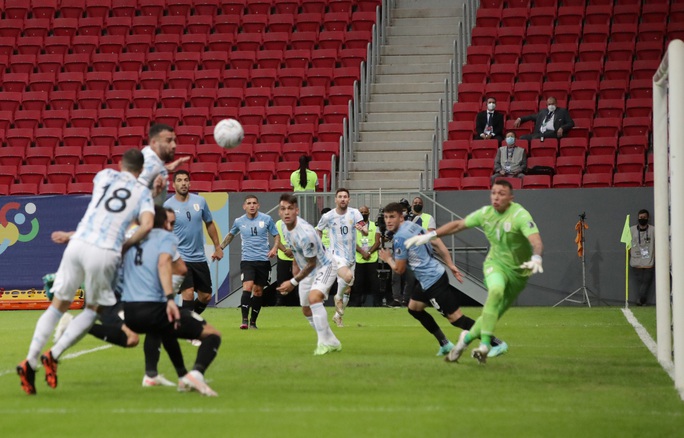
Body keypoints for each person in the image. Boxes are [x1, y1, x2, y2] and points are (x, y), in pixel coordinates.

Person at [17, 149, 155, 395]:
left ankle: (30, 360)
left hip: (78, 242)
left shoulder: (103, 175)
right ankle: (55, 354)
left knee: (57, 306)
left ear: (121, 164)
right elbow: (146, 225)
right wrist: (126, 244)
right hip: (104, 251)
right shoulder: (143, 193)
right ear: (141, 170)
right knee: (93, 310)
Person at [405, 180, 543, 364]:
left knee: (490, 315)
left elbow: (536, 240)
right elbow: (458, 225)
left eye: (501, 193)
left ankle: (465, 341)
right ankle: (485, 346)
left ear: (511, 197)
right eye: (494, 192)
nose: (496, 197)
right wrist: (431, 235)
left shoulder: (519, 215)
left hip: (518, 274)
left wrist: (536, 257)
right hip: (496, 265)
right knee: (495, 292)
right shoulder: (486, 213)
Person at [378, 202, 507, 358]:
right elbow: (437, 242)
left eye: (392, 217)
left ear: (401, 217)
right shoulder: (414, 227)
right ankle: (445, 344)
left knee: (456, 319)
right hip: (430, 277)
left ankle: (496, 343)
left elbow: (399, 269)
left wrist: (388, 259)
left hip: (432, 281)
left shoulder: (400, 237)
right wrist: (450, 264)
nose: (388, 221)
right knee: (414, 308)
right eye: (386, 217)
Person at [122, 205, 222, 396]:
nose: (171, 227)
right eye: (169, 223)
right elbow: (178, 268)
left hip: (130, 310)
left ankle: (161, 375)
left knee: (161, 331)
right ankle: (195, 374)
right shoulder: (165, 239)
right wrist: (169, 297)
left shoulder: (129, 240)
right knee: (212, 335)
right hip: (155, 307)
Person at [275, 194, 341, 355]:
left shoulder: (306, 234)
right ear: (279, 212)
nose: (287, 212)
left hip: (324, 267)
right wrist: (295, 267)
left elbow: (312, 263)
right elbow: (296, 252)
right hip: (307, 270)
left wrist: (293, 282)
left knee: (314, 298)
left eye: (290, 208)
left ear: (297, 210)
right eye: (283, 209)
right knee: (306, 310)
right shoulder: (284, 227)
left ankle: (323, 343)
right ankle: (332, 341)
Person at [164, 170, 223, 318]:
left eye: (185, 180)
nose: (183, 183)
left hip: (199, 258)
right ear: (173, 184)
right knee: (188, 294)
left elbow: (209, 224)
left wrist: (218, 247)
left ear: (190, 183)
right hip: (179, 258)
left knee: (206, 297)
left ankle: (187, 320)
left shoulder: (200, 201)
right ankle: (187, 328)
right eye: (179, 180)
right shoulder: (168, 206)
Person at [220, 195, 278, 329]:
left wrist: (275, 248)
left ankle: (253, 322)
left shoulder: (266, 219)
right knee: (247, 287)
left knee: (258, 291)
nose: (251, 205)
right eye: (249, 203)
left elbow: (276, 235)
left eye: (254, 203)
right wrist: (220, 248)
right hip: (247, 260)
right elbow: (231, 235)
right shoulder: (239, 221)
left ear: (258, 206)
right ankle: (244, 320)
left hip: (263, 261)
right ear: (244, 206)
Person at [316, 188, 367, 327]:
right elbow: (318, 229)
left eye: (345, 196)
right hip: (336, 256)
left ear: (349, 199)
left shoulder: (354, 213)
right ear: (335, 199)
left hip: (351, 257)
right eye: (340, 196)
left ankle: (338, 316)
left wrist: (363, 230)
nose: (343, 199)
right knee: (348, 277)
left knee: (348, 288)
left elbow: (365, 230)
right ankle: (337, 297)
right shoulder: (328, 216)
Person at [138, 123, 190, 205]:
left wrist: (167, 168)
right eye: (168, 141)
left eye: (174, 141)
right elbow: (133, 195)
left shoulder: (148, 152)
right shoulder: (152, 164)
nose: (174, 145)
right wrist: (154, 193)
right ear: (154, 142)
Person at [351, 205, 382, 307]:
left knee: (375, 283)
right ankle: (356, 303)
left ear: (369, 213)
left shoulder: (375, 225)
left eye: (365, 212)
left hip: (372, 259)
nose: (363, 214)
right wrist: (362, 252)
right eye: (361, 212)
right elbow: (352, 242)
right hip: (359, 259)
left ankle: (377, 303)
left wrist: (368, 253)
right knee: (358, 283)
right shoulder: (354, 227)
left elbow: (378, 242)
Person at [629, 209, 655, 306]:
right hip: (636, 262)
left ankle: (640, 300)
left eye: (644, 217)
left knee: (646, 282)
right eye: (640, 218)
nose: (642, 219)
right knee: (642, 283)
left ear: (648, 218)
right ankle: (641, 300)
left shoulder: (653, 230)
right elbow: (628, 245)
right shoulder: (632, 230)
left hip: (649, 262)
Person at [274, 218, 300, 307]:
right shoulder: (278, 223)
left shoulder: (299, 223)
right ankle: (280, 301)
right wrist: (285, 250)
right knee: (281, 279)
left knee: (297, 279)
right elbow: (276, 239)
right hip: (283, 256)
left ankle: (299, 301)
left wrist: (293, 250)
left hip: (296, 257)